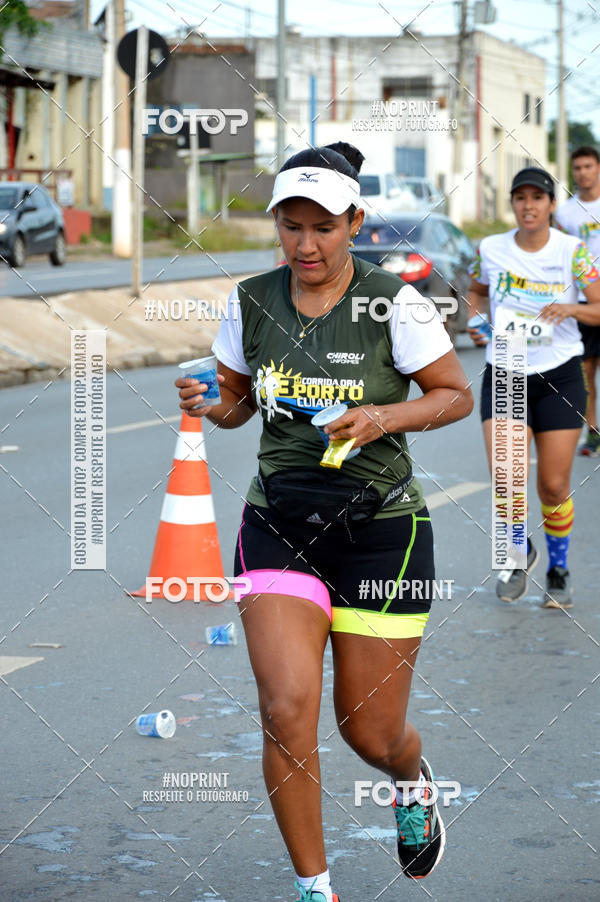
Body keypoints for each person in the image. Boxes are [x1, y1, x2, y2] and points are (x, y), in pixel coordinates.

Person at [176, 142, 473, 902]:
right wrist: (212, 403)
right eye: (290, 225)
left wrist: (380, 417)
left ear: (355, 222)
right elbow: (240, 407)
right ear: (275, 223)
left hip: (383, 531)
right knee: (284, 710)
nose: (305, 245)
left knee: (368, 733)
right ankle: (316, 891)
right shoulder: (251, 300)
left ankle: (409, 779)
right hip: (279, 523)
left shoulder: (391, 301)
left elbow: (452, 394)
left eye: (323, 227)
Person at [467, 166, 600, 609]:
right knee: (506, 480)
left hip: (560, 373)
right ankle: (517, 555)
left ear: (550, 205)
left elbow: (599, 309)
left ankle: (558, 569)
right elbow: (475, 291)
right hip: (505, 370)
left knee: (554, 484)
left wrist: (571, 308)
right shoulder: (489, 248)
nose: (528, 206)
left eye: (537, 198)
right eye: (520, 198)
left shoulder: (574, 252)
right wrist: (475, 320)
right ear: (513, 204)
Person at [555, 146, 600, 456]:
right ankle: (593, 431)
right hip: (582, 301)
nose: (583, 172)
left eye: (588, 166)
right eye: (578, 167)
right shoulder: (565, 213)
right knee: (585, 373)